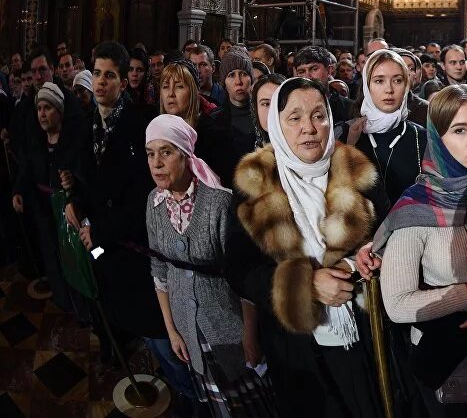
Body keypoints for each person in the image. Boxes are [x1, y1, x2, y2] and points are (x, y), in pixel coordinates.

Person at [370, 84, 467, 417]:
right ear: (437, 137)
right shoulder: (416, 209)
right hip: (444, 360)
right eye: (460, 130)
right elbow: (398, 305)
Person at [228, 77, 386, 416]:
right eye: (295, 118)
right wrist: (306, 284)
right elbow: (240, 270)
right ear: (275, 125)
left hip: (365, 336)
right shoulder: (254, 185)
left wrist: (350, 267)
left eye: (318, 115)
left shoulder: (357, 170)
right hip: (295, 348)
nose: (309, 128)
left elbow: (389, 235)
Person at [68, 42, 193, 397]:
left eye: (110, 75)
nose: (101, 82)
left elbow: (147, 194)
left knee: (159, 338)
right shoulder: (87, 123)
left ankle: (189, 396)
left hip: (134, 249)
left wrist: (101, 229)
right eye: (97, 73)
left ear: (124, 82)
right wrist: (75, 201)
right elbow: (85, 179)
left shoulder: (142, 125)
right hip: (104, 250)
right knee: (117, 313)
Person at [144, 115, 275, 414]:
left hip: (229, 329)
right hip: (187, 328)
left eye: (166, 152)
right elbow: (159, 273)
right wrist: (172, 330)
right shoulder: (153, 204)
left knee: (252, 407)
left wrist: (250, 335)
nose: (156, 163)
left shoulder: (220, 203)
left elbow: (244, 280)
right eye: (150, 154)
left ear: (186, 155)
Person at [11, 82, 91, 319]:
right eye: (39, 109)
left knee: (75, 258)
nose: (42, 114)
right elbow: (27, 169)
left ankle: (83, 309)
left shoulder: (73, 141)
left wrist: (72, 182)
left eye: (48, 108)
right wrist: (18, 191)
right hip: (43, 209)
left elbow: (85, 175)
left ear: (60, 111)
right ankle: (62, 300)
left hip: (69, 210)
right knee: (50, 254)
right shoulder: (38, 140)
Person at [345, 49, 428, 204]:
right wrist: (349, 148)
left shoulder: (421, 137)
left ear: (406, 85)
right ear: (367, 86)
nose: (389, 90)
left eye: (397, 80)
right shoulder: (347, 135)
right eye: (379, 81)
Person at [159, 60, 237, 185]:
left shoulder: (215, 134)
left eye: (179, 86)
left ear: (194, 91)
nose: (171, 94)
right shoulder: (156, 135)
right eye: (165, 86)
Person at [216, 45, 257, 164]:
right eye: (231, 75)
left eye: (243, 74)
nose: (238, 82)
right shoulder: (213, 122)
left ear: (251, 79)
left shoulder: (264, 117)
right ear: (224, 82)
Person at [249, 72, 286, 149]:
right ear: (255, 109)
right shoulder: (244, 147)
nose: (272, 111)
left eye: (278, 102)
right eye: (266, 104)